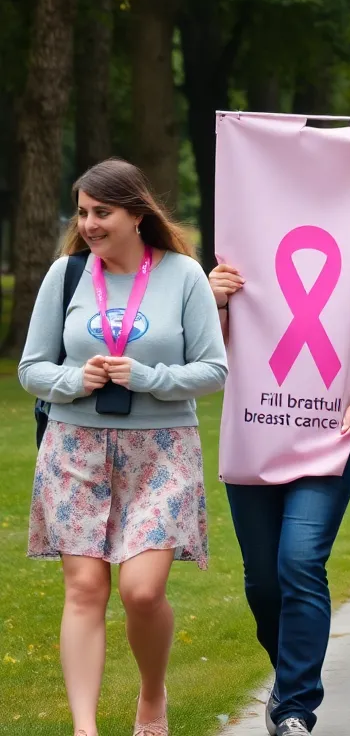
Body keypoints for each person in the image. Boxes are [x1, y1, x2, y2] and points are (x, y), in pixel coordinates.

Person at [19, 159, 227, 736]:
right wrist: (71, 381)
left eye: (101, 212)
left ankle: (152, 696)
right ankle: (85, 729)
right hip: (74, 445)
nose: (88, 223)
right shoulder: (65, 275)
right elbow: (31, 367)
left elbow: (214, 370)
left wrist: (148, 376)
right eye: (83, 212)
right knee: (84, 588)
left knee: (141, 591)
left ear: (137, 214)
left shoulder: (184, 275)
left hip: (161, 450)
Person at [210, 187, 350, 736]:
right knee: (263, 583)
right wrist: (217, 299)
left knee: (299, 562)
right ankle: (289, 674)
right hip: (254, 434)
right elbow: (205, 352)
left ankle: (297, 706)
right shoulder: (237, 247)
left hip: (330, 432)